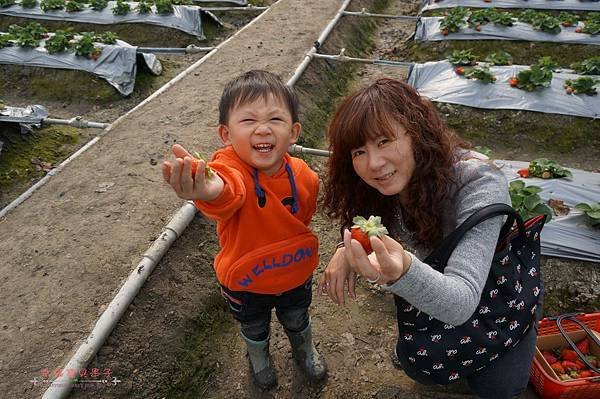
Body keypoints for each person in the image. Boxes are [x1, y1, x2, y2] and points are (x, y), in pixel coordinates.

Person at [319, 78, 542, 398]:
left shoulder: (478, 182)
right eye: (359, 151)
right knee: (420, 365)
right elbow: (368, 221)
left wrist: (403, 271)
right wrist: (346, 245)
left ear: (416, 132)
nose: (374, 164)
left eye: (384, 141)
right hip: (440, 284)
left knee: (498, 388)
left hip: (499, 290)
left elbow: (462, 300)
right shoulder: (384, 183)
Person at [162, 70, 326, 390]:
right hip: (246, 283)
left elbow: (303, 217)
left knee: (296, 316)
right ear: (226, 134)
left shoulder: (306, 177)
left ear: (293, 132)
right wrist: (208, 190)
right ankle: (259, 357)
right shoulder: (229, 169)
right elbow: (226, 191)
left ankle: (303, 349)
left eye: (275, 119)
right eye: (248, 120)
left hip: (294, 272)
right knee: (254, 325)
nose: (263, 128)